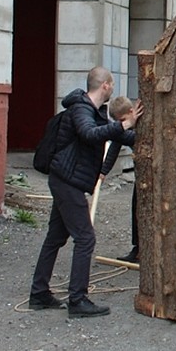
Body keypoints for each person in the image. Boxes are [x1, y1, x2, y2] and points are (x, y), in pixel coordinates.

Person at [29, 67, 143, 318]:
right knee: (85, 238)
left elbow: (116, 137)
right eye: (111, 84)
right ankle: (78, 300)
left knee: (56, 237)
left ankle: (39, 293)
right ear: (105, 85)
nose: (113, 88)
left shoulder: (96, 112)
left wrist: (135, 131)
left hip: (66, 181)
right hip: (66, 182)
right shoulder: (81, 108)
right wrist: (125, 124)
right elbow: (90, 135)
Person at [102, 97, 141, 264]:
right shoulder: (124, 127)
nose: (122, 124)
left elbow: (131, 138)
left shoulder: (140, 124)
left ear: (132, 113)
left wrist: (121, 130)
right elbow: (114, 149)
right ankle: (138, 247)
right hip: (140, 174)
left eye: (123, 120)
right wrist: (103, 172)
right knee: (136, 208)